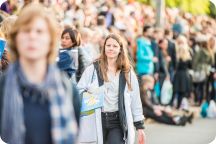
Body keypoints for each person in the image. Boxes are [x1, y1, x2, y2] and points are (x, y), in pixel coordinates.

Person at [0, 3, 78, 144]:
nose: (32, 36)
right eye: (26, 30)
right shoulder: (3, 85)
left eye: (39, 31)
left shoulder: (67, 89)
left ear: (50, 41)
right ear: (16, 39)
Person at [77, 33, 145, 144]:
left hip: (117, 122)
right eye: (108, 45)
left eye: (115, 46)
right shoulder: (93, 68)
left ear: (120, 49)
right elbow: (79, 90)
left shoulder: (127, 73)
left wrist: (140, 126)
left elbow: (135, 100)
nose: (111, 49)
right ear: (104, 48)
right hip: (96, 120)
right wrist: (91, 92)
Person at [173, 35, 192, 109]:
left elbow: (175, 66)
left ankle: (178, 105)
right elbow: (191, 66)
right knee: (183, 92)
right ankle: (182, 105)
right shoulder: (188, 58)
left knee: (178, 92)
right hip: (185, 75)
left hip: (178, 75)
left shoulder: (177, 58)